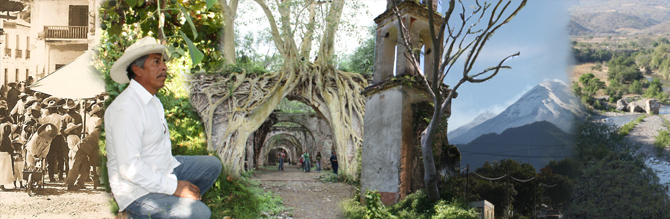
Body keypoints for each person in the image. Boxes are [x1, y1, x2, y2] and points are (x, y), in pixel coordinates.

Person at [105, 36, 221, 218]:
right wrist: (175, 187)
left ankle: (175, 204)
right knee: (199, 213)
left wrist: (174, 186)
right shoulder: (126, 108)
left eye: (163, 62)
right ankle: (134, 213)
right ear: (137, 70)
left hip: (162, 171)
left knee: (212, 165)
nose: (164, 67)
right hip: (137, 192)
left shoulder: (153, 101)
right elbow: (129, 169)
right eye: (156, 62)